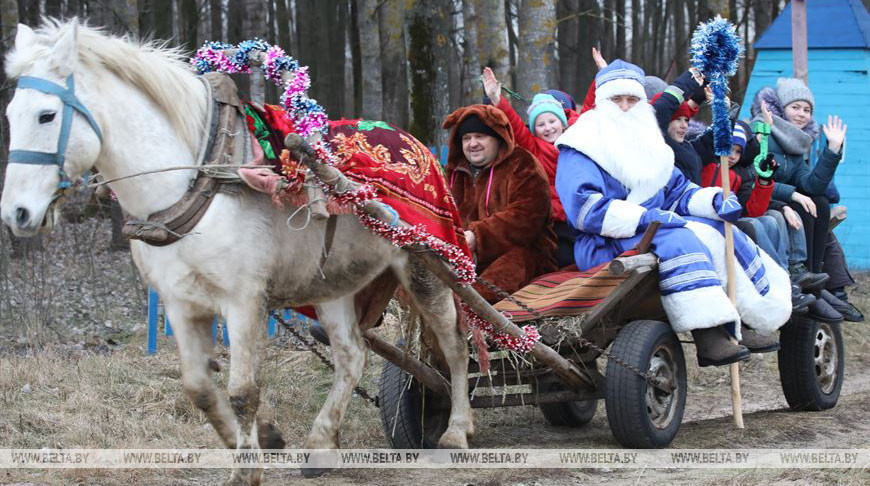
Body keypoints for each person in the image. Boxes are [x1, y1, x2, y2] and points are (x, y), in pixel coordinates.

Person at [555, 60, 791, 367]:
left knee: (715, 228)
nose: (625, 107)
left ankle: (745, 317)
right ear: (602, 103)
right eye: (617, 99)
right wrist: (642, 217)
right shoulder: (581, 145)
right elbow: (584, 209)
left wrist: (715, 200)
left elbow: (678, 191)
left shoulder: (650, 142)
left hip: (651, 231)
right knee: (677, 235)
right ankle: (707, 333)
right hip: (605, 241)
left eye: (632, 99)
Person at [443, 104, 557, 302]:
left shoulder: (522, 164)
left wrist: (476, 237)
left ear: (497, 138)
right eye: (466, 138)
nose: (473, 144)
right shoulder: (455, 173)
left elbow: (526, 217)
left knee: (506, 271)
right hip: (465, 255)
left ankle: (469, 315)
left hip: (525, 253)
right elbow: (440, 212)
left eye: (480, 136)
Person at [482, 68, 575, 267]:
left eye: (552, 121)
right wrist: (496, 99)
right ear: (534, 129)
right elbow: (514, 124)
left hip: (580, 211)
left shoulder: (576, 142)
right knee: (563, 259)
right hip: (556, 219)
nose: (548, 128)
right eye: (541, 124)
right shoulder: (535, 147)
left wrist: (602, 76)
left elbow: (591, 111)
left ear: (563, 122)